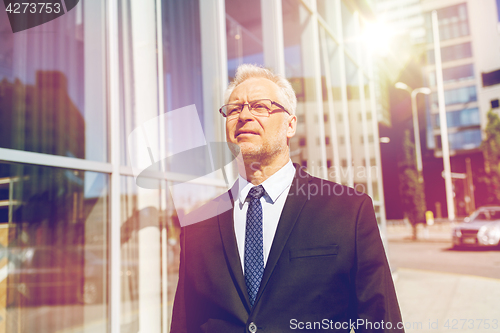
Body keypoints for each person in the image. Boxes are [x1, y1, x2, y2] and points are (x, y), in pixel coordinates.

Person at [171, 64, 404, 333]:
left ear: (290, 124)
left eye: (260, 106)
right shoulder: (196, 226)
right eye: (234, 109)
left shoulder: (349, 212)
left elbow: (381, 323)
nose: (244, 115)